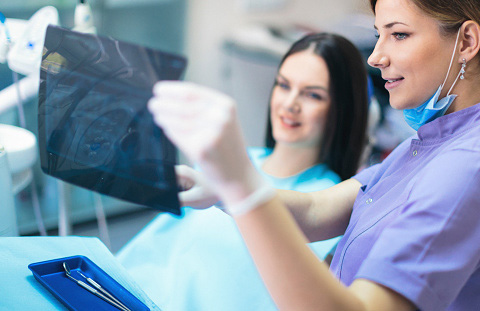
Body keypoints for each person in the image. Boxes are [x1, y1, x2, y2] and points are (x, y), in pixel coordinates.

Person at [147, 0, 480, 309]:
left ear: (467, 42)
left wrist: (243, 188)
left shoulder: (474, 169)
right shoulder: (427, 144)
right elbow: (318, 211)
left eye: (399, 35)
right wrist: (224, 189)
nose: (375, 56)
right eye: (378, 34)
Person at [117, 33, 369, 310]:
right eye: (284, 85)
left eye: (312, 95)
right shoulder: (232, 160)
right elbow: (154, 253)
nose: (290, 104)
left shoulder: (332, 208)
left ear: (341, 109)